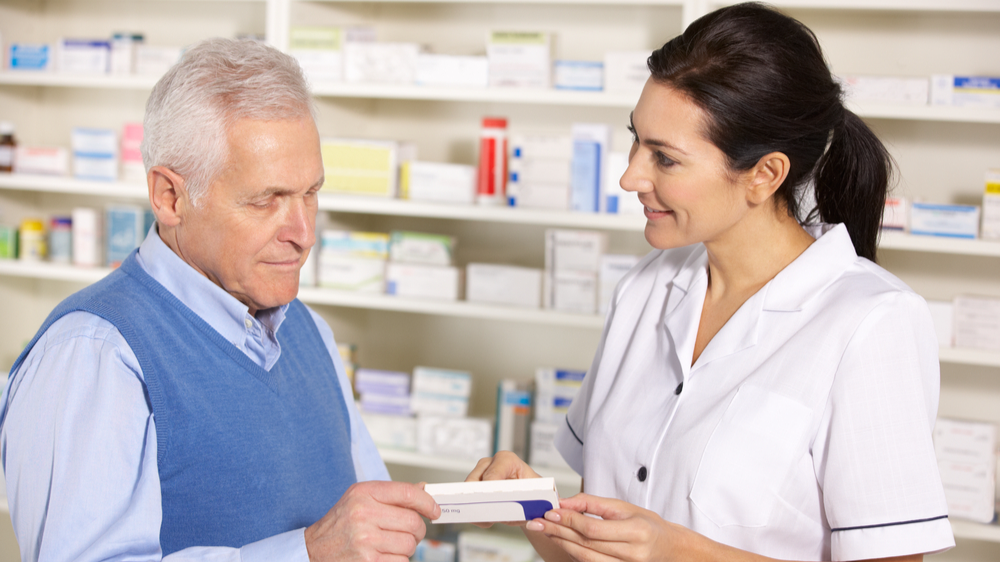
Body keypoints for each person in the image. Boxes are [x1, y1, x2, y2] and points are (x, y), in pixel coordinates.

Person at [467, 3, 954, 562]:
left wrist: (677, 551)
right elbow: (607, 547)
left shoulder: (871, 322)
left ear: (765, 174)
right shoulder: (646, 290)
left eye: (666, 159)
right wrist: (531, 506)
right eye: (636, 140)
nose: (630, 177)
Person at [0, 38, 439, 561]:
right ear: (171, 197)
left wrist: (485, 502)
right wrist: (307, 553)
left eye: (310, 194)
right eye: (265, 201)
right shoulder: (94, 355)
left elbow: (368, 528)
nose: (303, 233)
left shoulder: (309, 332)